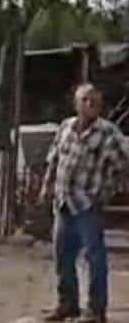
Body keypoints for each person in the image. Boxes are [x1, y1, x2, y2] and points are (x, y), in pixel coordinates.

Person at [41, 84, 129, 322]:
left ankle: (95, 311)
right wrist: (46, 187)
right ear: (77, 104)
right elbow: (54, 158)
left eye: (94, 102)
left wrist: (107, 190)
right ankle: (67, 305)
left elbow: (124, 164)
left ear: (100, 106)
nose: (89, 105)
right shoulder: (66, 127)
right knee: (63, 256)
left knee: (94, 258)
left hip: (88, 205)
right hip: (63, 201)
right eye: (85, 101)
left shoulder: (109, 133)